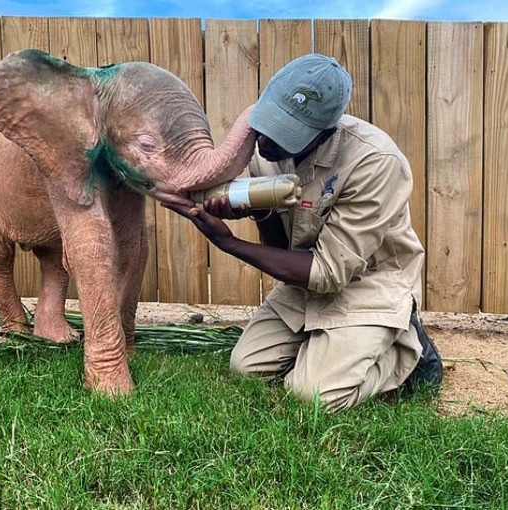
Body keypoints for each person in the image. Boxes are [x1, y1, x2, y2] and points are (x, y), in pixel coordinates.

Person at [164, 54, 442, 412]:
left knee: (313, 397)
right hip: (304, 284)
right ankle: (333, 347)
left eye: (284, 134)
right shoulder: (265, 153)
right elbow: (281, 247)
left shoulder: (375, 162)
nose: (265, 141)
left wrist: (228, 243)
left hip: (366, 285)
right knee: (245, 367)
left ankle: (406, 349)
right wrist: (258, 213)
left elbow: (328, 272)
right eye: (267, 123)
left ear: (326, 132)